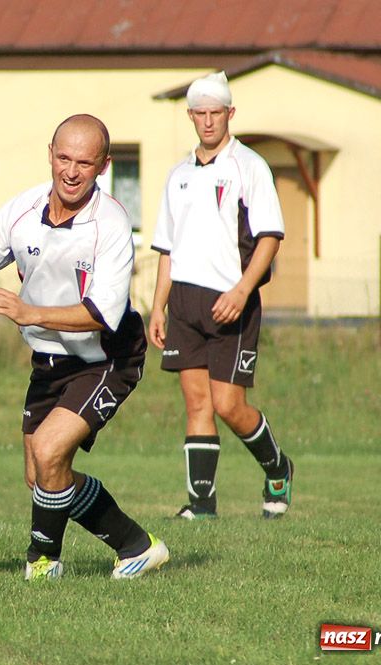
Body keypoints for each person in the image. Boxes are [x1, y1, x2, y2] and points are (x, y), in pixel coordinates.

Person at [0, 114, 169, 581]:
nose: (71, 171)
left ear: (104, 165)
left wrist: (28, 313)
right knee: (42, 476)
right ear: (50, 153)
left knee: (50, 452)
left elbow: (100, 314)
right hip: (49, 359)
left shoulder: (109, 224)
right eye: (64, 158)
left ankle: (41, 562)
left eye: (84, 162)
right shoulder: (21, 213)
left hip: (106, 357)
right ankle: (136, 545)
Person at [148, 71, 294, 520]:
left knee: (229, 405)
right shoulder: (178, 175)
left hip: (231, 301)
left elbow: (270, 237)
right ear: (190, 116)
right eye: (201, 114)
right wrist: (157, 307)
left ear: (230, 114)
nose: (208, 122)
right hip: (184, 304)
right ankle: (201, 508)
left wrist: (242, 290)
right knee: (197, 403)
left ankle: (278, 468)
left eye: (217, 113)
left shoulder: (249, 166)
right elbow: (167, 248)